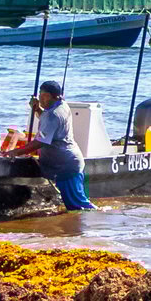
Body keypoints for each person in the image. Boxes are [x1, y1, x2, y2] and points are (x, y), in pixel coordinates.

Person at [27, 80, 93, 211]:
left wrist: (15, 152)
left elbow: (40, 141)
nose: (41, 99)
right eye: (40, 95)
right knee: (75, 206)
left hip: (66, 166)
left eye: (45, 96)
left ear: (56, 96)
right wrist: (37, 109)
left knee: (79, 206)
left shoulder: (54, 114)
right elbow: (47, 121)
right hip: (65, 163)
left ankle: (97, 222)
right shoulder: (61, 105)